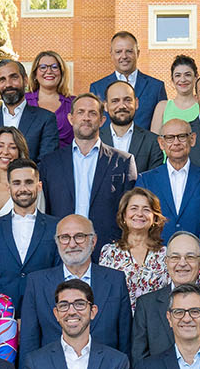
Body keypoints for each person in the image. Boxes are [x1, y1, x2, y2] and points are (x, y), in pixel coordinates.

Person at [19, 214, 134, 354]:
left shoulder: (115, 280)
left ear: (93, 241)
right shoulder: (37, 283)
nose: (72, 244)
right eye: (65, 237)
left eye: (79, 236)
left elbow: (125, 340)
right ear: (57, 242)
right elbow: (29, 343)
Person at [38, 91, 134, 250]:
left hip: (106, 250)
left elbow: (127, 213)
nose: (86, 118)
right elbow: (45, 210)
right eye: (80, 112)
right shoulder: (50, 163)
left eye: (92, 113)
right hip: (61, 250)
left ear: (102, 120)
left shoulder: (123, 161)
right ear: (71, 118)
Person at [133, 232, 200, 360]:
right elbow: (139, 363)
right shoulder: (146, 305)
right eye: (175, 257)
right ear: (166, 262)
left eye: (190, 257)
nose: (182, 263)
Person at [0, 159, 59, 309]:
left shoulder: (56, 227)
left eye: (28, 182)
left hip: (44, 309)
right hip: (0, 313)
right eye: (16, 183)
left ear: (39, 186)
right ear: (8, 188)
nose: (23, 188)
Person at [136, 118, 200, 240]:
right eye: (170, 138)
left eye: (181, 136)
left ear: (192, 139)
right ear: (161, 143)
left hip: (198, 253)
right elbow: (140, 221)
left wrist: (196, 247)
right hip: (156, 253)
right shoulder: (145, 180)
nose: (176, 143)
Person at [0, 57, 59, 163]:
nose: (8, 84)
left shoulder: (46, 119)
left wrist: (21, 179)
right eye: (2, 80)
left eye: (14, 77)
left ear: (25, 80)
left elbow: (46, 163)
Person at [99, 187, 172, 305]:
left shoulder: (166, 254)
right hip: (120, 321)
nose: (139, 214)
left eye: (146, 209)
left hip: (155, 320)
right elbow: (104, 294)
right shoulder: (109, 252)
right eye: (134, 208)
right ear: (123, 216)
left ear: (154, 217)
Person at [90, 30, 167, 124]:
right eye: (118, 52)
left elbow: (163, 125)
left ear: (137, 53)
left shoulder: (156, 87)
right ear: (111, 55)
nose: (124, 56)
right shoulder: (97, 88)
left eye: (129, 51)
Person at [99, 79, 163, 174]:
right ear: (106, 106)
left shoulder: (152, 142)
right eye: (115, 101)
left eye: (127, 100)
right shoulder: (95, 140)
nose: (122, 106)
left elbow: (154, 181)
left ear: (136, 103)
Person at [151, 54, 200, 132]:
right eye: (178, 75)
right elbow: (154, 140)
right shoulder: (162, 107)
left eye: (187, 75)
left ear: (196, 77)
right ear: (172, 80)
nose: (182, 79)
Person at [28, 49, 74, 130]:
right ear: (35, 74)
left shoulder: (73, 103)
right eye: (43, 67)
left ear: (62, 73)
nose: (49, 71)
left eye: (54, 67)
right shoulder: (23, 102)